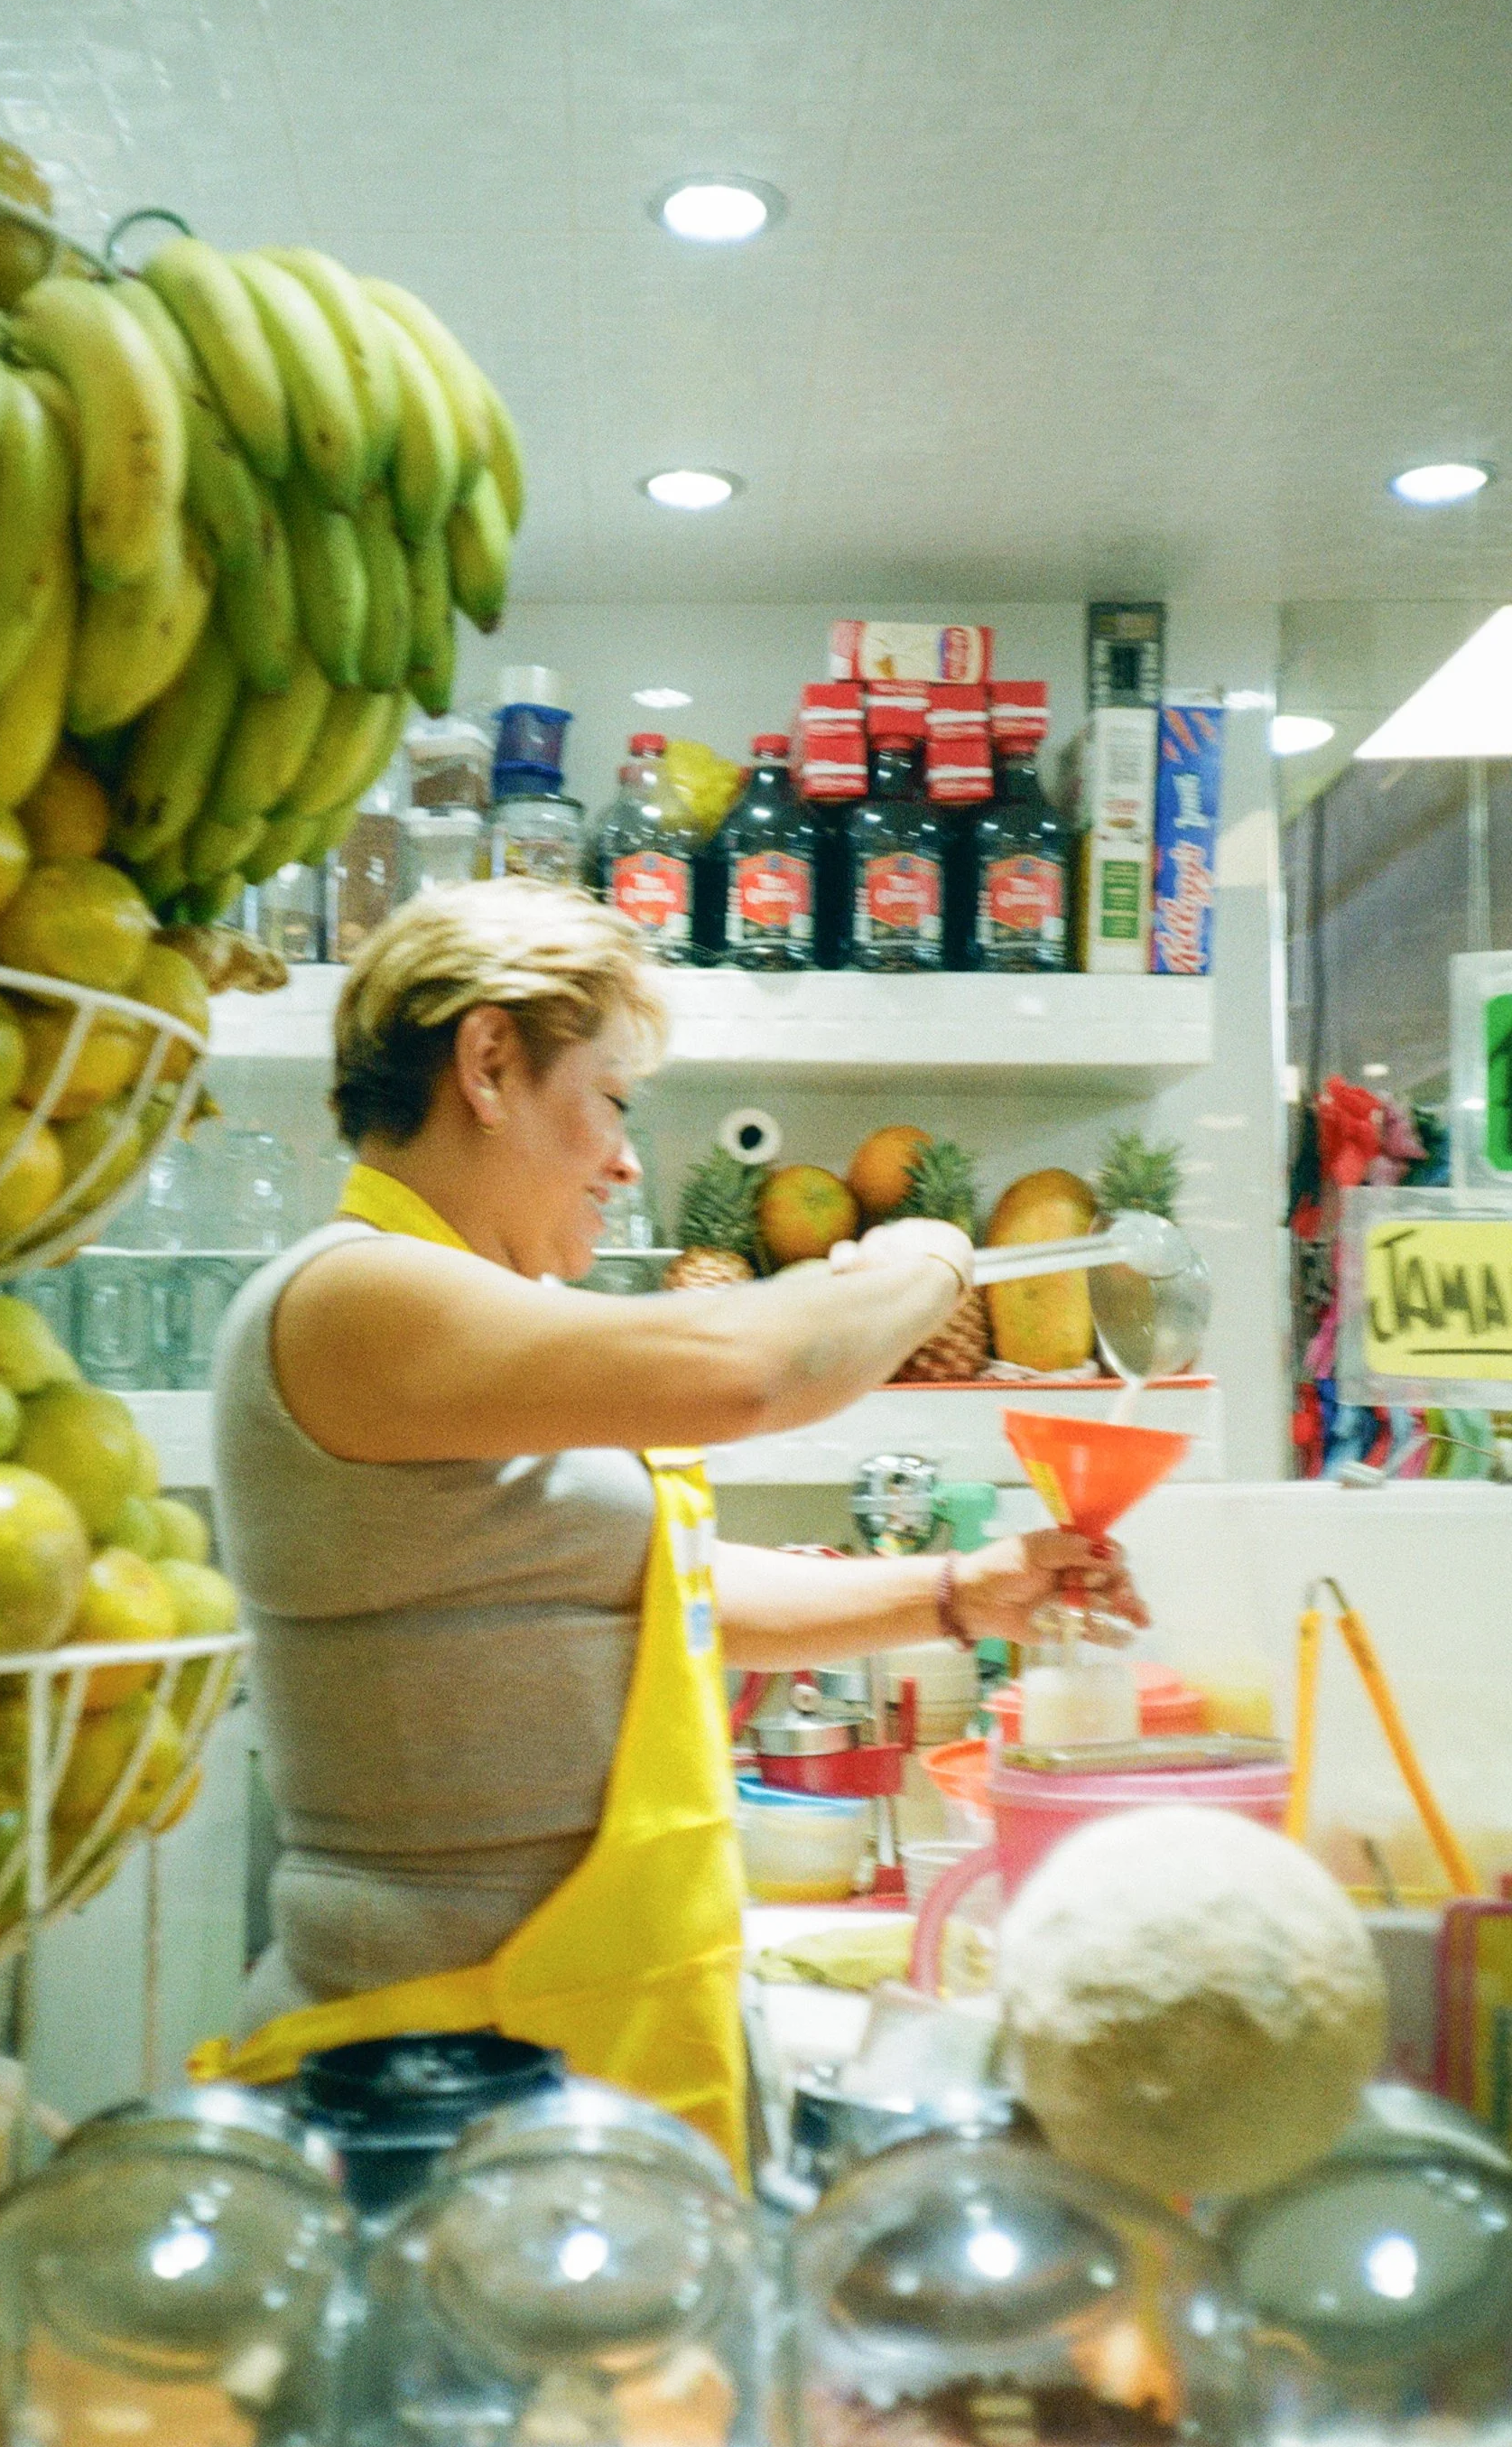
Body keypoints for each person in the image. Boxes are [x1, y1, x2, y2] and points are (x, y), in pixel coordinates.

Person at [196, 881, 1143, 2168]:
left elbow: (669, 1591)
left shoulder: (487, 1325)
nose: (628, 1160)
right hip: (431, 2078)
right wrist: (928, 1262)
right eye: (613, 1101)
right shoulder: (350, 1295)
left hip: (570, 2048)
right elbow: (743, 1373)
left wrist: (958, 1592)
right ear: (488, 1063)